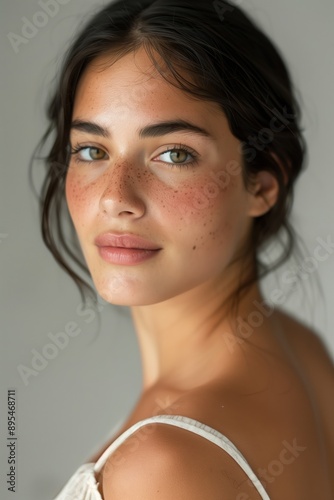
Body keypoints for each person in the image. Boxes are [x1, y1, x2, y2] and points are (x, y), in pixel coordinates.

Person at [32, 0, 334, 498]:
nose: (115, 198)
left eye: (174, 154)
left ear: (263, 182)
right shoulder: (301, 350)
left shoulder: (162, 468)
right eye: (92, 150)